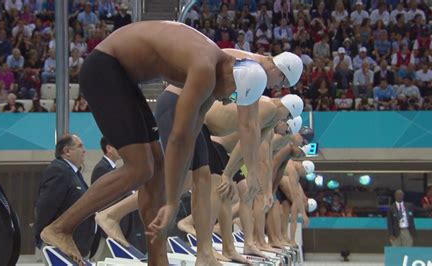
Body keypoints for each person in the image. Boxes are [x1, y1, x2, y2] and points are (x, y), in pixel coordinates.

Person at [40, 21, 268, 264]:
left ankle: (157, 259)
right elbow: (178, 138)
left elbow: (189, 141)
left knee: (156, 167)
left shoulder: (215, 74)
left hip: (123, 78)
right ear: (232, 75)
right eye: (232, 95)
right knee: (140, 167)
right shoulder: (205, 68)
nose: (226, 101)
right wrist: (171, 202)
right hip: (104, 69)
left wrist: (172, 194)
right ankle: (61, 228)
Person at [34, 134, 95, 257]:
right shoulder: (59, 171)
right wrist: (43, 239)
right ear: (67, 151)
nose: (84, 150)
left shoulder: (74, 174)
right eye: (80, 146)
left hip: (76, 246)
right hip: (61, 246)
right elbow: (45, 207)